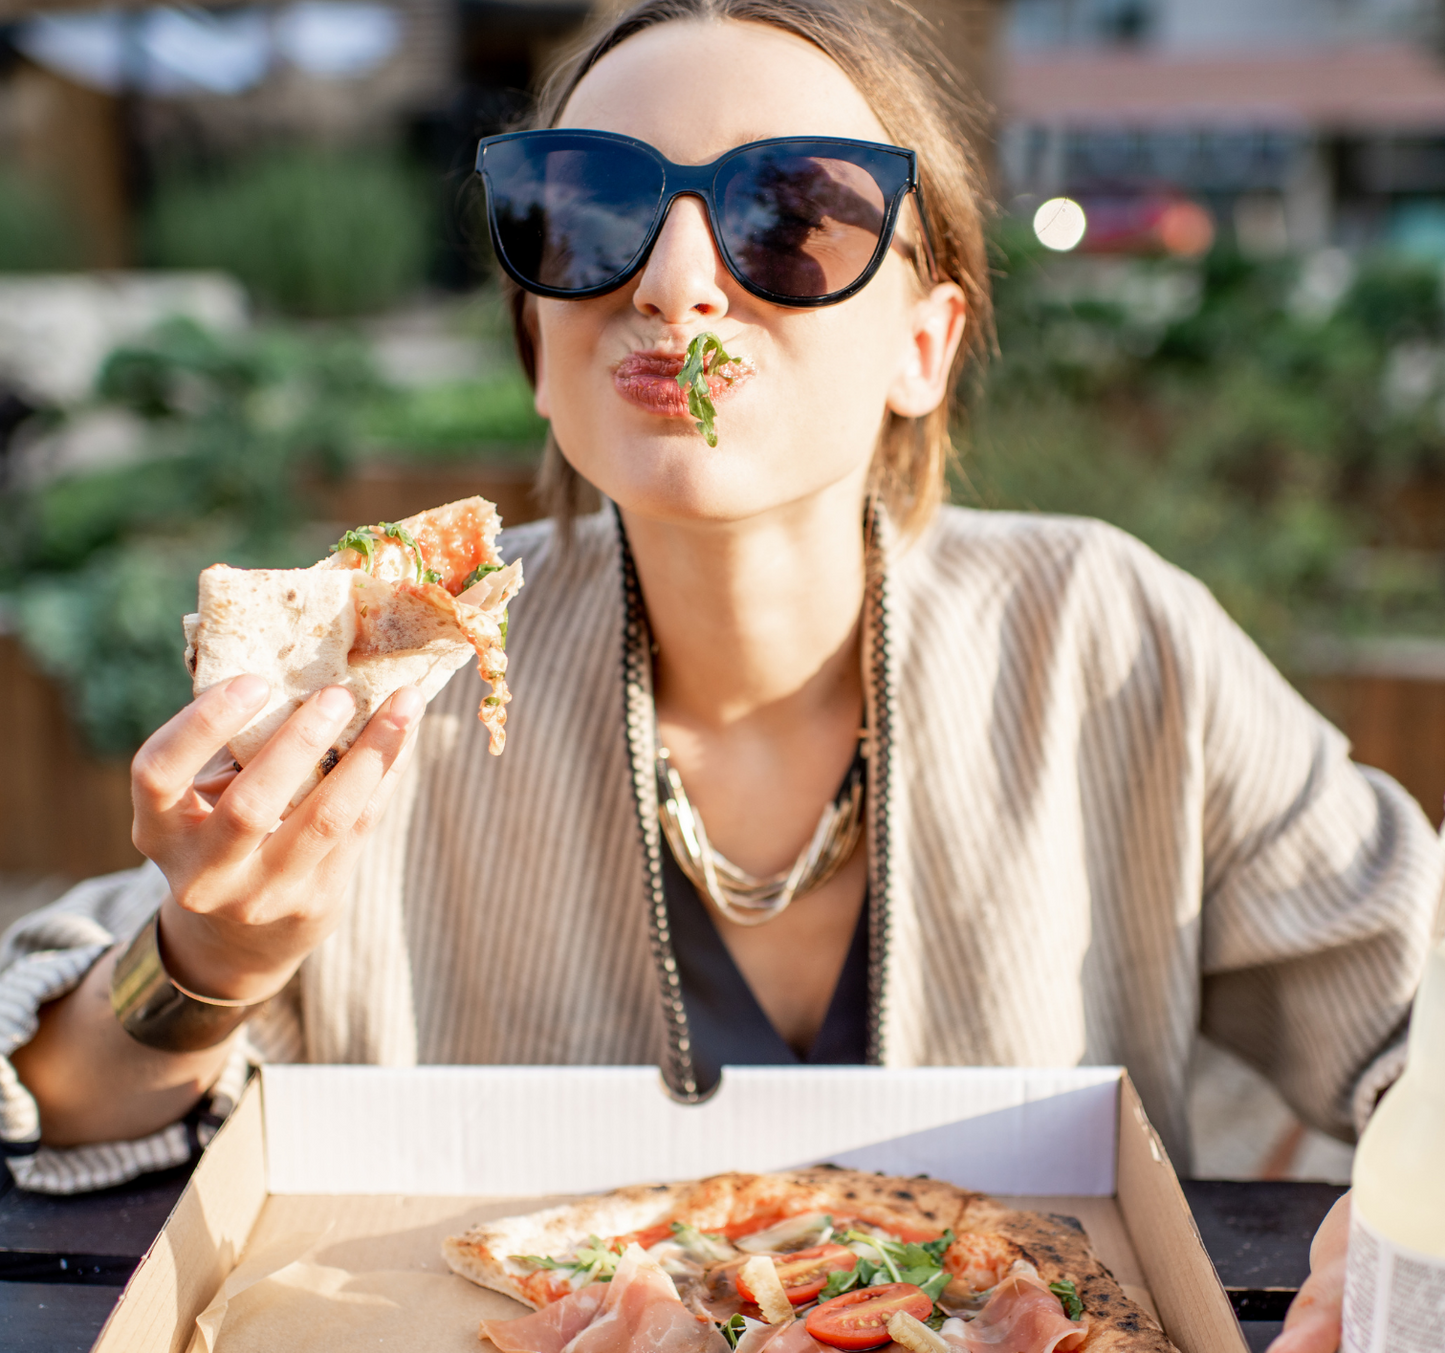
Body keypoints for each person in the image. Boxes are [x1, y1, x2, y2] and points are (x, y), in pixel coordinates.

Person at [1, 3, 1438, 1349]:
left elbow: (1418, 996)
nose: (675, 284)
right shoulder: (402, 682)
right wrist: (212, 963)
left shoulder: (1106, 645)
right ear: (536, 346)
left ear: (923, 346)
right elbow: (56, 1110)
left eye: (792, 217)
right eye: (587, 213)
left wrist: (1388, 1225)